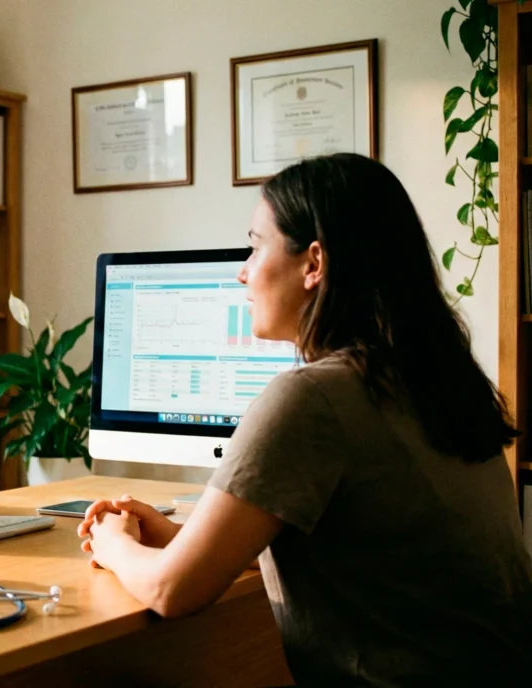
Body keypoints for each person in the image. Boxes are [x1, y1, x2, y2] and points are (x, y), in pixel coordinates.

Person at [78, 154, 532, 686]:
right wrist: (184, 536)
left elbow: (171, 592)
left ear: (313, 263)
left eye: (255, 244)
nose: (242, 271)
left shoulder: (313, 398)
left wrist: (113, 545)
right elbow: (373, 557)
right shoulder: (429, 380)